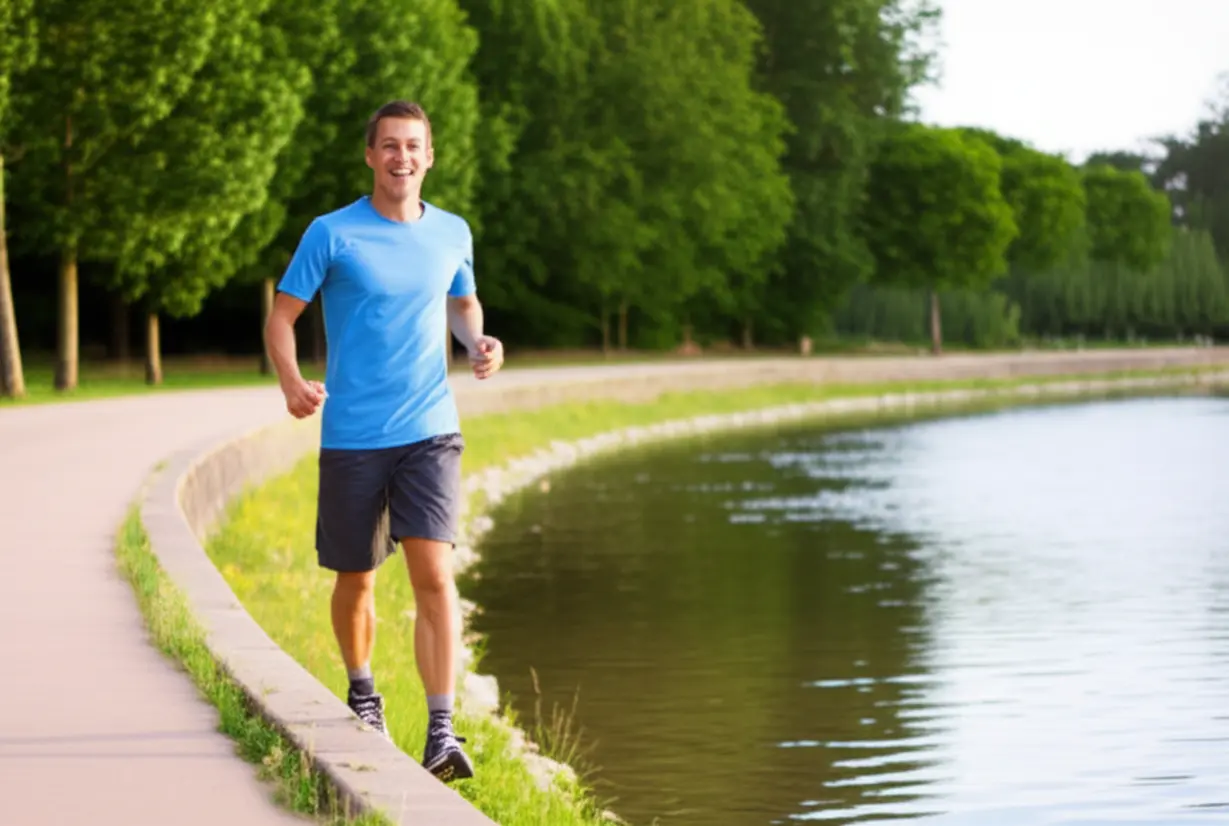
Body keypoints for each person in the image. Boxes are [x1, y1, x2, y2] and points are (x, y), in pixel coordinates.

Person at [263, 99, 504, 783]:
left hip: (430, 429)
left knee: (433, 573)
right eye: (389, 146)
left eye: (414, 146)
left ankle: (440, 729)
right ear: (370, 155)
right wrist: (291, 382)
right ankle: (364, 692)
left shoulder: (452, 232)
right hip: (353, 435)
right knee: (357, 579)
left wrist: (477, 342)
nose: (402, 157)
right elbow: (282, 319)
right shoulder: (331, 234)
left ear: (431, 156)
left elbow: (462, 303)